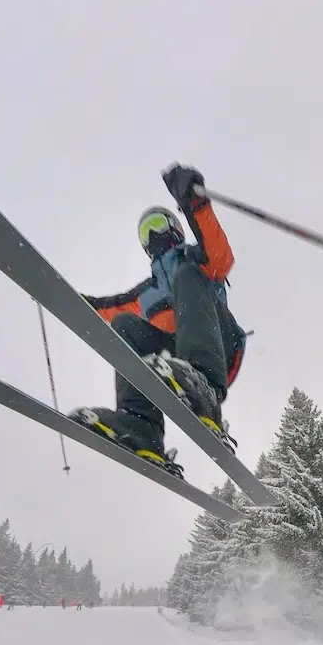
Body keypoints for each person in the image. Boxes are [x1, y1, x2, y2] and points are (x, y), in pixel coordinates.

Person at [70, 163, 247, 471]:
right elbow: (106, 310)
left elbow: (221, 255)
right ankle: (141, 426)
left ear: (175, 229)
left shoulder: (198, 260)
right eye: (146, 231)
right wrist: (69, 299)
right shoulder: (145, 294)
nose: (153, 234)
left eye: (157, 224)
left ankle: (203, 384)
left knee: (186, 276)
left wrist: (194, 202)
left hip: (217, 346)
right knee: (123, 325)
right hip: (172, 361)